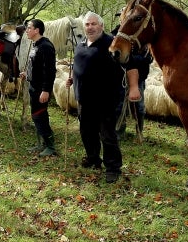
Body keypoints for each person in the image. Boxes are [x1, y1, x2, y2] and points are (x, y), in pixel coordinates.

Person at [66, 11, 126, 182]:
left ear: (102, 25)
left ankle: (113, 167)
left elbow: (129, 65)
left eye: (93, 24)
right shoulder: (81, 44)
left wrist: (135, 87)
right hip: (83, 99)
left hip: (105, 100)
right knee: (87, 132)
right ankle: (93, 158)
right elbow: (79, 64)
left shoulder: (111, 44)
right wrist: (73, 78)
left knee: (107, 135)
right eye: (87, 24)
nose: (90, 27)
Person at [20, 18, 57, 156]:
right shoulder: (35, 45)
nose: (27, 30)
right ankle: (40, 144)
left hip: (41, 90)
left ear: (37, 30)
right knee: (36, 116)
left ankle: (51, 146)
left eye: (29, 28)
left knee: (40, 115)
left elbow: (50, 71)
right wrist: (27, 74)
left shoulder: (46, 46)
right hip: (33, 86)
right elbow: (36, 66)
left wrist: (46, 90)